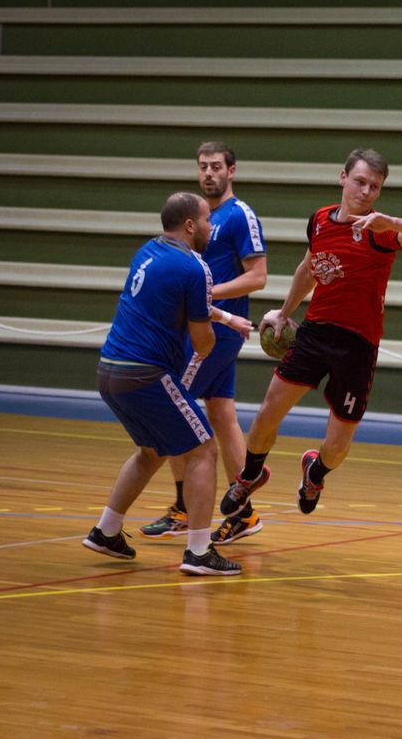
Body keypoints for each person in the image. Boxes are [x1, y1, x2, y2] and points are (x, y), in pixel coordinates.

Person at [217, 148, 402, 519]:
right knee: (268, 411)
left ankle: (315, 473)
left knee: (337, 447)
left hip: (358, 346)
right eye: (360, 181)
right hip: (315, 332)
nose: (366, 191)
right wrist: (284, 313)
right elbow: (308, 268)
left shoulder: (379, 231)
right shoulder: (320, 220)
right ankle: (250, 475)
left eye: (375, 187)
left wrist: (392, 221)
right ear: (343, 177)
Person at [82, 192, 254, 576]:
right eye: (207, 220)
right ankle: (199, 551)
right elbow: (202, 340)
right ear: (190, 225)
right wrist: (213, 340)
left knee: (151, 451)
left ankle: (106, 531)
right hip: (146, 374)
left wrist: (227, 318)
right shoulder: (195, 266)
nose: (211, 226)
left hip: (110, 371)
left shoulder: (148, 251)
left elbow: (184, 301)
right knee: (203, 450)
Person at [139, 142, 268, 546]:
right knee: (222, 413)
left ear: (232, 171)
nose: (209, 173)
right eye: (203, 167)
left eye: (216, 166)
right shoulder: (198, 216)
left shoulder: (239, 215)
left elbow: (258, 276)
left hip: (216, 332)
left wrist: (208, 294)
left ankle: (184, 508)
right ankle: (243, 512)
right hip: (202, 325)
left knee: (172, 408)